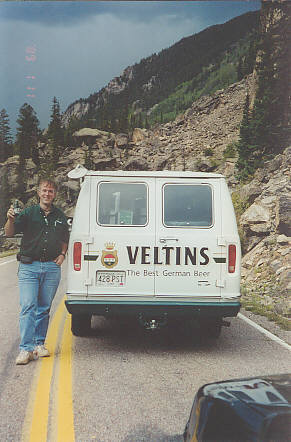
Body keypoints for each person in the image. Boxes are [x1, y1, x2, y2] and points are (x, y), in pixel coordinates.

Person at [4, 178, 69, 365]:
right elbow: (9, 233)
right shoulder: (28, 213)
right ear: (38, 193)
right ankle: (25, 349)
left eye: (51, 191)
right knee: (28, 306)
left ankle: (39, 344)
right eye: (44, 190)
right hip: (29, 267)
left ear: (54, 194)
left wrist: (63, 254)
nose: (47, 194)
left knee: (44, 308)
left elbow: (65, 236)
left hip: (51, 267)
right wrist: (10, 219)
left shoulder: (60, 216)